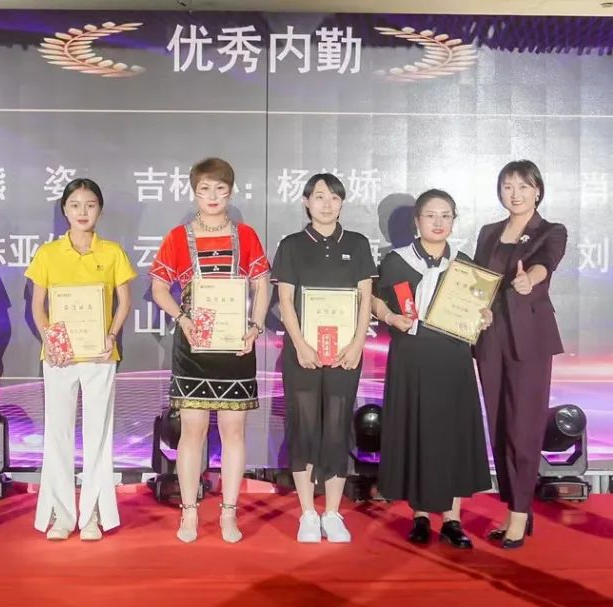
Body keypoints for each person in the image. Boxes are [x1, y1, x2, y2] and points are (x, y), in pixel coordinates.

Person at [149, 158, 270, 544]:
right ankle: (189, 512)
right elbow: (158, 288)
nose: (213, 196)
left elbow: (262, 284)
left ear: (230, 192)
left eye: (220, 189)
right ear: (194, 192)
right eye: (205, 189)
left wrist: (255, 327)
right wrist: (182, 318)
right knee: (192, 432)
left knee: (234, 432)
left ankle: (229, 513)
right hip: (194, 346)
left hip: (236, 347)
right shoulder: (178, 237)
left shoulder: (245, 236)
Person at [372, 189, 492, 549]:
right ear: (417, 221)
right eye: (431, 215)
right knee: (417, 431)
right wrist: (390, 316)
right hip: (412, 355)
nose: (438, 222)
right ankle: (420, 515)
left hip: (453, 356)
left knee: (452, 434)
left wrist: (484, 316)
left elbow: (477, 309)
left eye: (446, 216)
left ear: (453, 221)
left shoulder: (465, 264)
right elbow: (373, 300)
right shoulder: (396, 261)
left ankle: (453, 519)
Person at [26, 178, 136, 541]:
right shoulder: (48, 254)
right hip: (59, 356)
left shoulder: (112, 252)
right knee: (57, 434)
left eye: (90, 205)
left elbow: (125, 302)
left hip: (100, 355)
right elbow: (37, 305)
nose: (82, 212)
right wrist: (50, 339)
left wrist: (111, 334)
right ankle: (62, 514)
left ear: (99, 210)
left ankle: (91, 515)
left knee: (97, 436)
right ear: (65, 210)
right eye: (75, 205)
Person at [272, 173, 375, 544]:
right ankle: (307, 513)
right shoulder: (292, 245)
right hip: (303, 354)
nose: (327, 204)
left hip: (345, 354)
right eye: (319, 196)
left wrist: (358, 343)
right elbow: (285, 301)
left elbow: (365, 298)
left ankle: (332, 512)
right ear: (306, 202)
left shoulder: (358, 244)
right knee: (303, 429)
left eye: (334, 197)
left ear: (342, 203)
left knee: (336, 428)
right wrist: (300, 345)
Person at [474, 160, 567, 549]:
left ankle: (518, 513)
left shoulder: (551, 231)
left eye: (523, 186)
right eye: (508, 186)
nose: (515, 194)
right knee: (498, 425)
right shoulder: (489, 232)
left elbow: (546, 264)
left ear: (537, 191)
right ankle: (517, 505)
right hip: (490, 337)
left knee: (523, 428)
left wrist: (531, 279)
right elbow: (478, 281)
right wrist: (475, 310)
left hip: (529, 339)